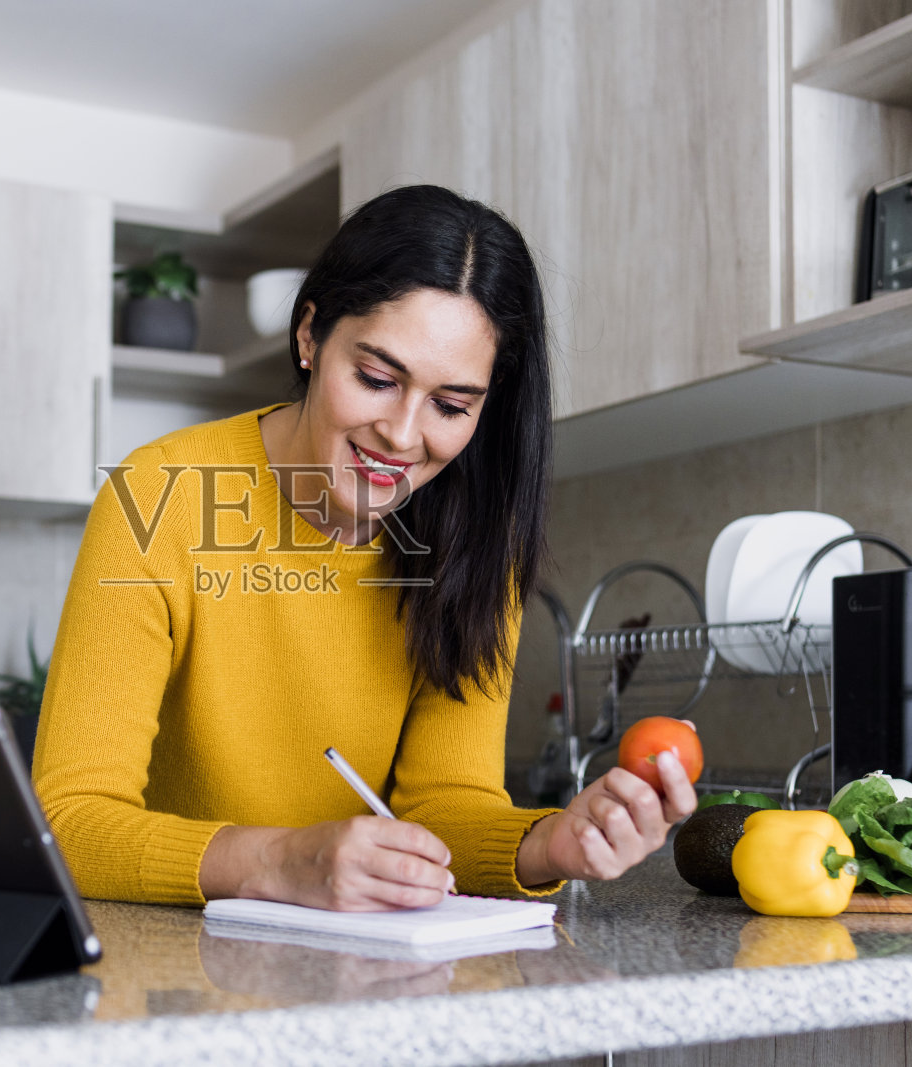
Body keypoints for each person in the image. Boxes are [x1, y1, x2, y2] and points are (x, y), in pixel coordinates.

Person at [34, 185, 696, 911]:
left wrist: (547, 843)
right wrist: (279, 860)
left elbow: (442, 803)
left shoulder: (479, 541)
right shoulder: (161, 496)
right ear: (310, 337)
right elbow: (69, 823)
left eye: (451, 405)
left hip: (366, 963)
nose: (402, 435)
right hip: (167, 961)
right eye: (377, 379)